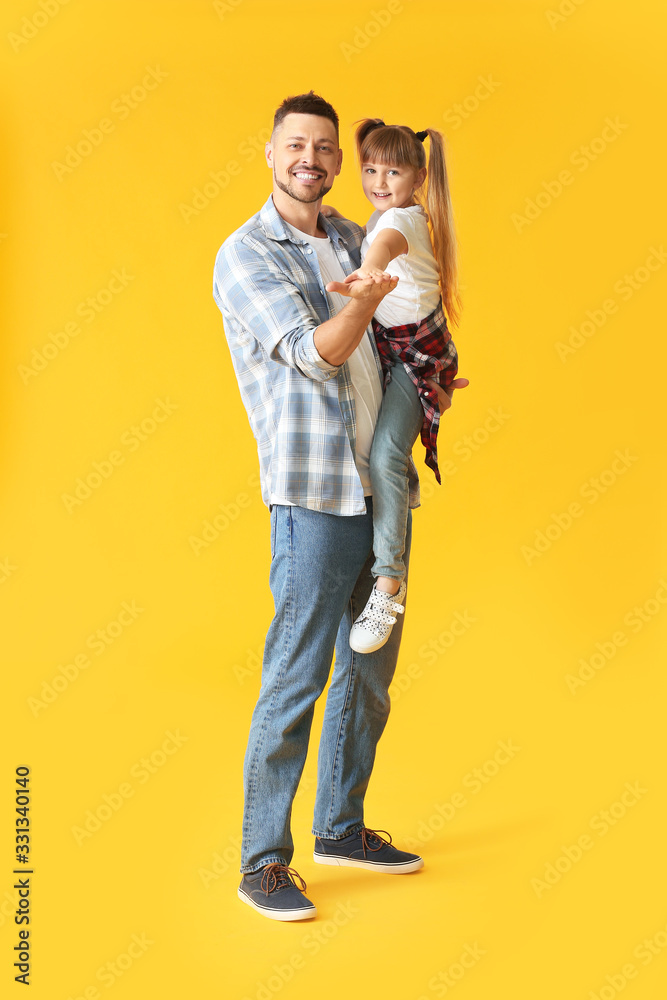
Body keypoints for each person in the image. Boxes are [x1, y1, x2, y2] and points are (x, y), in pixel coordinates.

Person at [212, 91, 467, 923]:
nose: (311, 160)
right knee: (297, 674)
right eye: (296, 145)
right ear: (270, 152)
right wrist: (364, 294)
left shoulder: (358, 234)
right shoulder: (247, 254)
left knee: (369, 675)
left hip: (377, 485)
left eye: (324, 147)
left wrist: (425, 374)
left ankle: (342, 828)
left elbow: (397, 331)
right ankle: (262, 861)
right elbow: (317, 357)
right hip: (314, 494)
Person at [320, 118, 467, 655]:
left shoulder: (399, 221)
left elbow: (381, 248)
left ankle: (387, 583)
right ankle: (380, 565)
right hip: (401, 351)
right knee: (373, 446)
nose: (380, 181)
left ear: (419, 176)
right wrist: (334, 218)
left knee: (385, 455)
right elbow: (375, 234)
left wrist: (368, 274)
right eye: (370, 169)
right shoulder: (390, 215)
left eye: (395, 171)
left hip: (414, 355)